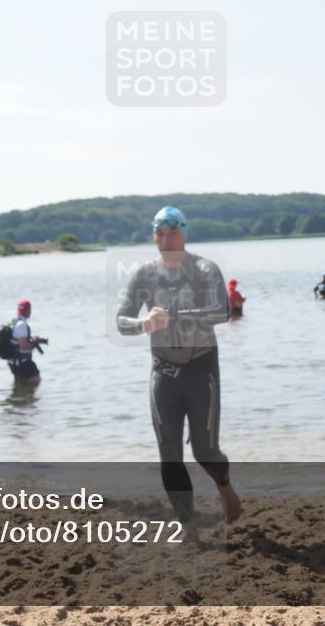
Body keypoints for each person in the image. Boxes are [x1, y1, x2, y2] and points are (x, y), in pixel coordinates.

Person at [116, 206, 242, 527]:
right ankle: (186, 525)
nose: (166, 239)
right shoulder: (144, 274)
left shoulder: (204, 268)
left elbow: (220, 312)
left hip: (201, 369)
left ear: (184, 233)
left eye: (172, 232)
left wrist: (177, 316)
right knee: (169, 454)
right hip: (164, 373)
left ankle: (224, 487)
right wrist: (144, 323)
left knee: (205, 452)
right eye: (160, 233)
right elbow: (121, 321)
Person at [8, 299, 45, 383]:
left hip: (13, 362)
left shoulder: (12, 322)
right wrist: (34, 342)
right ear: (28, 310)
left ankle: (20, 395)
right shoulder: (22, 325)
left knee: (20, 385)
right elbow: (24, 347)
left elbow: (16, 340)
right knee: (36, 381)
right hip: (23, 363)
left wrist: (32, 339)